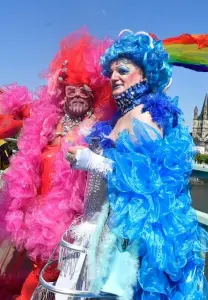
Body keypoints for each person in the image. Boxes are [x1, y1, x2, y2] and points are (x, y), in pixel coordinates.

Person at [68, 31, 208, 299]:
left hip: (136, 236)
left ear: (145, 75)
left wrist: (92, 161)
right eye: (111, 72)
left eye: (123, 70)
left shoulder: (146, 115)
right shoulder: (128, 114)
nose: (114, 77)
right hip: (117, 222)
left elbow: (145, 181)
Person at [0, 28, 116, 300]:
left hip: (69, 223)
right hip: (33, 218)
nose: (76, 94)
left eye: (84, 90)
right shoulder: (46, 121)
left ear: (94, 95)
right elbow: (7, 115)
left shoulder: (95, 128)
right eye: (71, 89)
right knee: (37, 277)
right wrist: (50, 91)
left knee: (53, 282)